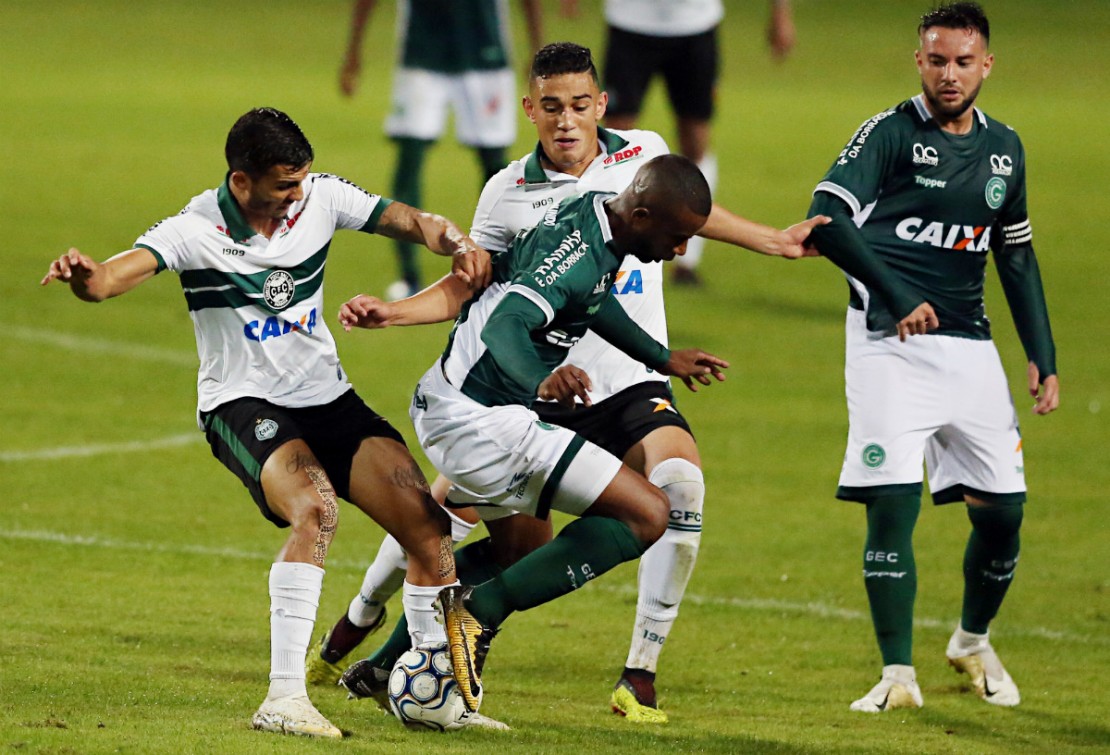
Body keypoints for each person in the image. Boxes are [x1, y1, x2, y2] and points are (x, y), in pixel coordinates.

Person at [308, 42, 827, 724]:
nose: (566, 119)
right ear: (530, 109)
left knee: (673, 491)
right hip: (528, 396)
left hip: (621, 386)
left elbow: (648, 248)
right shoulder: (510, 194)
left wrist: (760, 254)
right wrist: (400, 314)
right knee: (465, 528)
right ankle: (384, 629)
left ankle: (637, 672)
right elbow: (482, 294)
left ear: (601, 105)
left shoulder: (638, 164)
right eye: (551, 106)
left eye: (580, 104)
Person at [39, 107, 492, 739]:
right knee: (315, 509)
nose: (296, 196)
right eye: (283, 185)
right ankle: (284, 698)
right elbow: (113, 278)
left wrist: (455, 242)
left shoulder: (321, 196)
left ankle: (435, 696)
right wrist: (85, 277)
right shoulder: (195, 229)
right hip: (241, 402)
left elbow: (413, 221)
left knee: (426, 525)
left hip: (325, 396)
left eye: (300, 181)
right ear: (241, 180)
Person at [341, 153, 732, 716]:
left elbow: (592, 299)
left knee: (522, 551)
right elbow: (506, 325)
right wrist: (541, 379)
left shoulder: (594, 214)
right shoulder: (580, 253)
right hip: (481, 421)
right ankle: (477, 614)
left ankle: (388, 666)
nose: (681, 251)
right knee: (648, 513)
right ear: (642, 216)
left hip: (458, 405)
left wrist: (661, 357)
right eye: (677, 237)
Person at [805, 2, 1059, 712]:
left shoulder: (1006, 148)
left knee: (1004, 512)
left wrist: (1042, 354)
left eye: (964, 62)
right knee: (893, 503)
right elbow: (827, 217)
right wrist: (896, 295)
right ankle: (897, 675)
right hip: (887, 343)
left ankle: (972, 640)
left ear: (987, 65)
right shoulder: (889, 134)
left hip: (969, 346)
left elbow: (1015, 254)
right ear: (919, 61)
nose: (950, 74)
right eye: (938, 60)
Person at [339, 0, 543, 299]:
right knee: (409, 159)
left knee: (496, 167)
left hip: (483, 50)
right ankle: (409, 277)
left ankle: (500, 268)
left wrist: (537, 49)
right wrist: (354, 50)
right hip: (422, 52)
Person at [597, 0, 796, 285]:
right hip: (630, 21)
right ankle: (614, 252)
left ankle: (687, 259)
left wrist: (781, 13)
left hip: (696, 25)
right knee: (616, 144)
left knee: (695, 142)